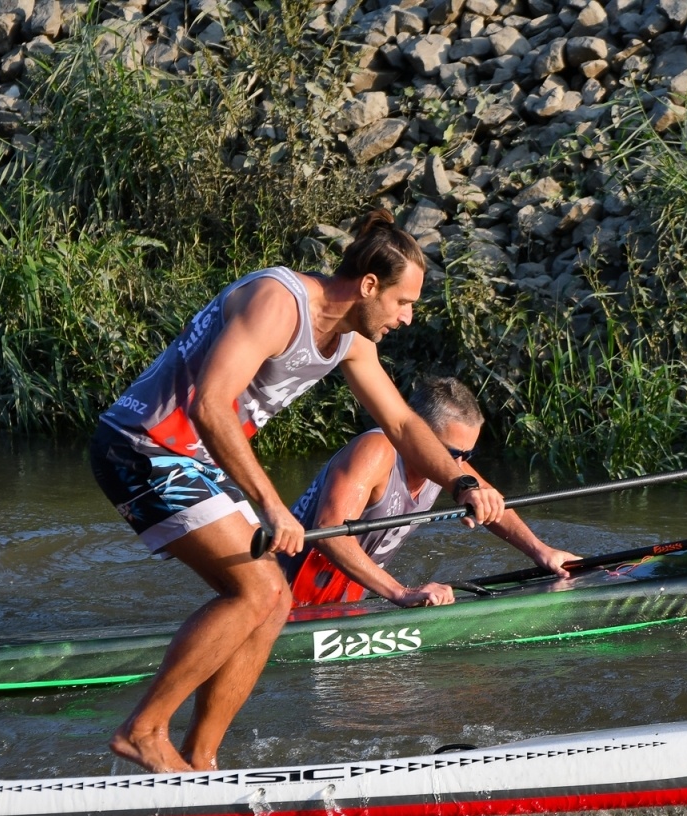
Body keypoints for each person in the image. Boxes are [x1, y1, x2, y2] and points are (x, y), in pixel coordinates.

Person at [89, 209, 505, 774]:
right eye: (403, 302)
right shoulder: (277, 301)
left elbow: (406, 428)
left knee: (274, 601)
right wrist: (270, 504)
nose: (407, 318)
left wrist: (461, 481)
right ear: (367, 286)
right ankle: (143, 730)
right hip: (140, 446)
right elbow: (209, 404)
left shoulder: (353, 342)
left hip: (192, 459)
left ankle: (200, 759)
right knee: (258, 589)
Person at [281, 377, 576, 613]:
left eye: (466, 454)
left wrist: (542, 552)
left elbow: (492, 502)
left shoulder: (448, 469)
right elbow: (327, 532)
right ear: (418, 433)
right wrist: (402, 593)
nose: (457, 466)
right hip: (280, 589)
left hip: (338, 597)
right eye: (450, 453)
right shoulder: (376, 452)